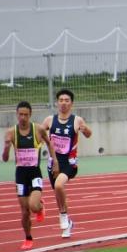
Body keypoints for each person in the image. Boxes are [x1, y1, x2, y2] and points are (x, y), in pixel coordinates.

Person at [2, 101, 56, 250]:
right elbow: (5, 158)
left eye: (26, 114)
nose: (23, 117)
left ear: (30, 115)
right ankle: (28, 237)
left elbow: (50, 144)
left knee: (33, 205)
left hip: (34, 172)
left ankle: (40, 207)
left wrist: (55, 161)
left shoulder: (38, 129)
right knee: (25, 211)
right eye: (20, 114)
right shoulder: (11, 132)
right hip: (20, 174)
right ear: (17, 114)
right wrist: (6, 148)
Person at [41, 88, 92, 238]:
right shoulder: (50, 120)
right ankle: (68, 222)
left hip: (69, 163)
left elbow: (89, 134)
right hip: (53, 163)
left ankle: (63, 217)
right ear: (57, 103)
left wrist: (85, 129)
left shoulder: (77, 120)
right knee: (58, 194)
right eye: (61, 100)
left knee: (58, 185)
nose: (63, 103)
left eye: (67, 100)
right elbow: (39, 134)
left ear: (71, 103)